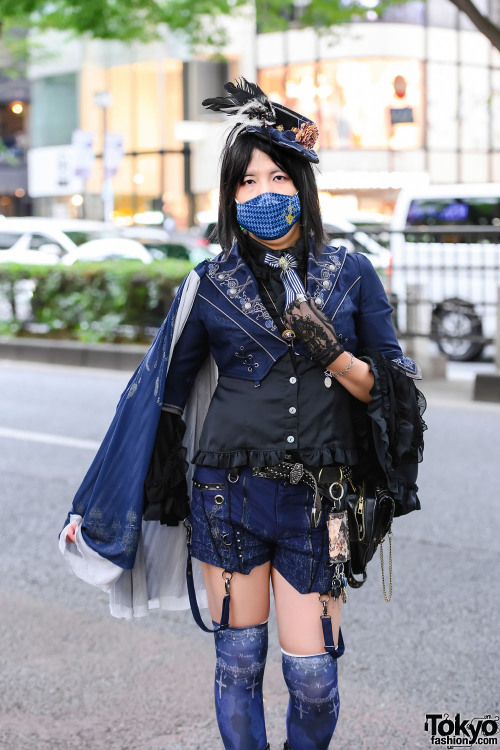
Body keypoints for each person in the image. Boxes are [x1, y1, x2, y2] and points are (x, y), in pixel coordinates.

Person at [60, 79, 425, 750]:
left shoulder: (354, 274)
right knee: (237, 663)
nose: (262, 193)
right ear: (231, 197)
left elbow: (397, 396)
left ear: (302, 183)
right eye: (246, 182)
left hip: (325, 500)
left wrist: (336, 356)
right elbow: (153, 400)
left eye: (276, 176)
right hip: (226, 495)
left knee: (315, 679)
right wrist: (110, 502)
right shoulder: (208, 282)